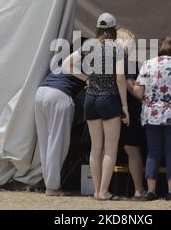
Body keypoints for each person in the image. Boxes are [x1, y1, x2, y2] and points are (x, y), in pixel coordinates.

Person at [65, 12, 129, 200]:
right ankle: (104, 191)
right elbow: (119, 78)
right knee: (110, 149)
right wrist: (125, 107)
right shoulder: (116, 49)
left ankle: (95, 191)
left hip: (90, 98)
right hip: (109, 99)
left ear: (98, 29)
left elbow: (67, 64)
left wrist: (86, 78)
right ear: (113, 30)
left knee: (95, 147)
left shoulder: (88, 45)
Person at [134, 36, 171, 201]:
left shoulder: (148, 63)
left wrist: (149, 100)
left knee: (153, 152)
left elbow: (138, 91)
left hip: (152, 115)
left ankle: (151, 191)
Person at [34, 49, 88, 196]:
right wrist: (88, 80)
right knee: (58, 143)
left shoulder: (70, 55)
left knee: (45, 143)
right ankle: (52, 187)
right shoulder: (93, 58)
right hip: (60, 95)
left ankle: (49, 184)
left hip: (41, 91)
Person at [116, 29, 146, 199]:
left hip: (109, 107)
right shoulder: (129, 61)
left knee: (107, 149)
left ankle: (100, 189)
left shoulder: (107, 60)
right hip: (129, 110)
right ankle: (138, 189)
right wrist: (144, 98)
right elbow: (130, 83)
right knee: (133, 151)